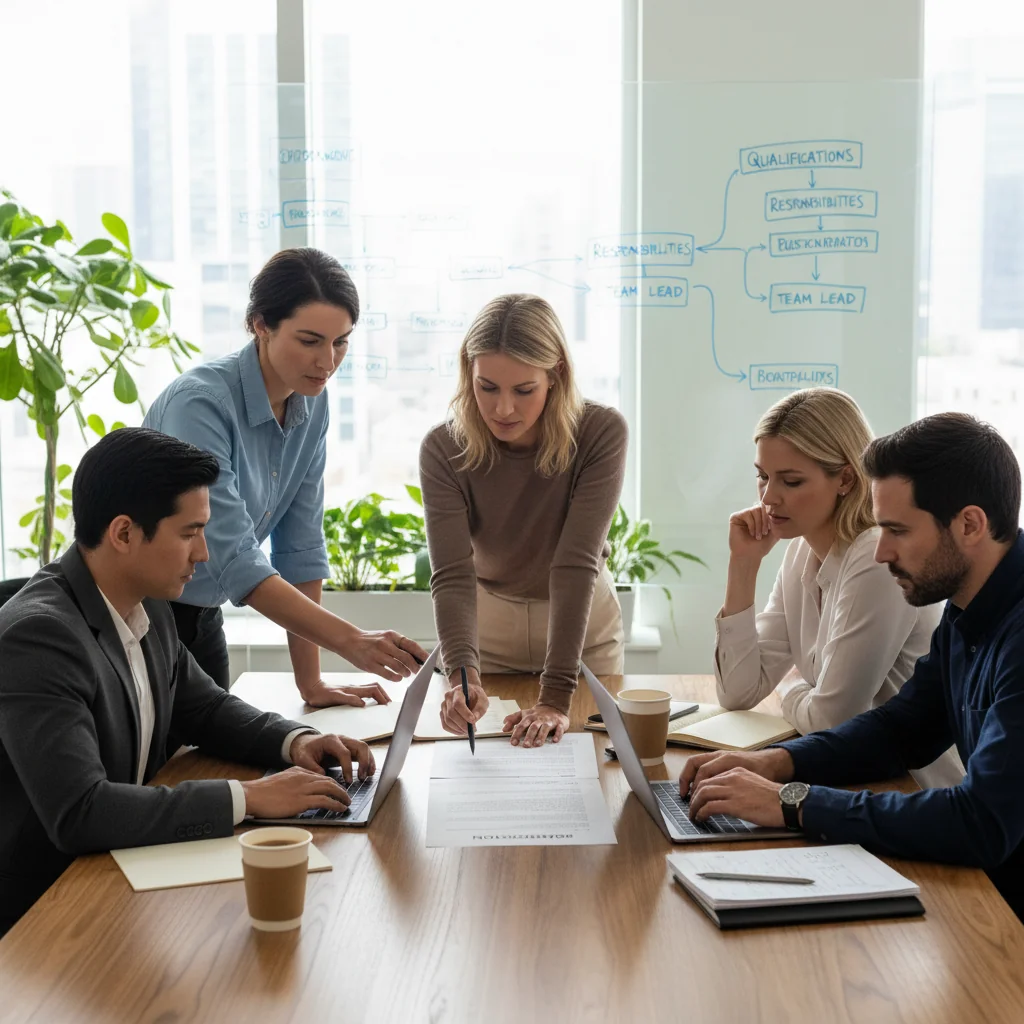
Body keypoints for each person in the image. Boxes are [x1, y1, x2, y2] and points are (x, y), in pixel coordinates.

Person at [0, 428, 375, 936]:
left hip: (121, 872)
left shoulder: (146, 600)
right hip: (45, 910)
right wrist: (250, 797)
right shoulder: (40, 637)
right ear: (125, 533)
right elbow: (80, 810)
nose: (203, 554)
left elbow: (205, 708)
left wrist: (297, 741)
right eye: (188, 533)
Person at [679, 412, 1024, 921]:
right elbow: (900, 730)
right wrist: (778, 763)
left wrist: (794, 802)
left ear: (970, 524)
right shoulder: (966, 607)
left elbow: (982, 821)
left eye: (898, 531)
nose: (882, 552)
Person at [144, 247, 427, 706]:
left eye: (341, 341)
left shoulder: (312, 402)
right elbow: (233, 554)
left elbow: (300, 547)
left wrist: (311, 683)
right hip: (138, 616)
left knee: (212, 756)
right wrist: (351, 641)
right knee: (160, 769)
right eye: (310, 340)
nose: (327, 361)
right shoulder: (198, 404)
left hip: (201, 613)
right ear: (260, 324)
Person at [715, 387, 961, 787]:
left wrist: (791, 690)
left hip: (910, 788)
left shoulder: (875, 558)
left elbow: (833, 720)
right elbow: (738, 692)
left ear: (845, 478)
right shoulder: (799, 552)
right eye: (762, 477)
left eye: (791, 481)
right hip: (849, 776)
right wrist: (743, 565)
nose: (768, 498)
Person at [420, 294, 628, 748]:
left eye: (523, 390)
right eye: (487, 387)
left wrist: (555, 697)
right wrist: (461, 677)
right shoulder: (443, 448)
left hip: (583, 625)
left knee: (594, 763)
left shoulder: (600, 432)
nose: (503, 410)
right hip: (489, 627)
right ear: (467, 373)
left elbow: (575, 563)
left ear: (555, 376)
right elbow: (453, 574)